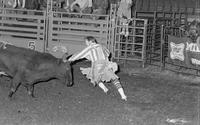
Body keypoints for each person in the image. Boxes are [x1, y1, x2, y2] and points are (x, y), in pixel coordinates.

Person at [68, 36, 127, 101]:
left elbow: (79, 55)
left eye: (86, 42)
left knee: (96, 79)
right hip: (105, 65)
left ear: (90, 41)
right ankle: (123, 95)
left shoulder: (89, 48)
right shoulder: (102, 46)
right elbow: (108, 53)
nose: (86, 44)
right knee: (115, 79)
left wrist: (70, 59)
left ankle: (105, 89)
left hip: (96, 66)